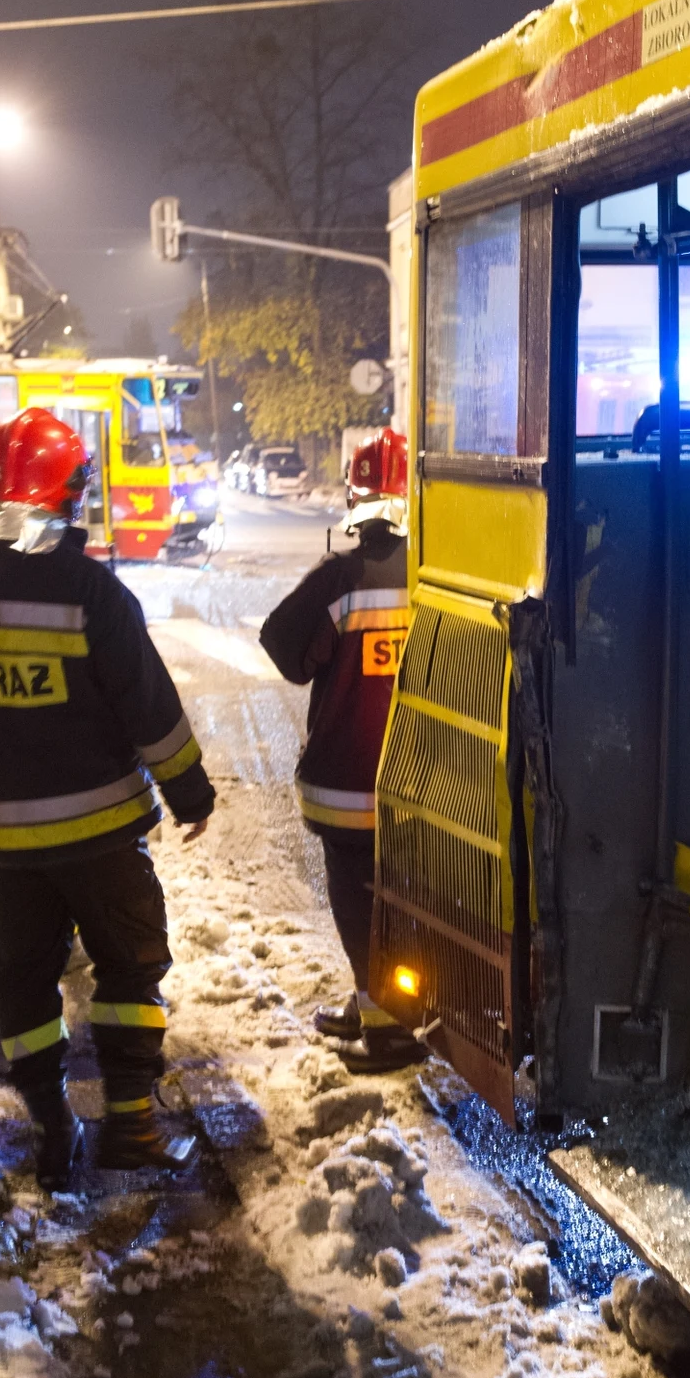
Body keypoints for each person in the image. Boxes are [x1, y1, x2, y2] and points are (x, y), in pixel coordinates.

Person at [0, 407, 215, 1190]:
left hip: (0, 841)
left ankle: (51, 1129)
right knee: (130, 966)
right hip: (102, 834)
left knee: (24, 980)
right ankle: (133, 1125)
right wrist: (189, 792)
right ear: (67, 491)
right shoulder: (89, 590)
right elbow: (149, 708)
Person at [260, 427, 422, 1073]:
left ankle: (387, 1032)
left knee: (359, 903)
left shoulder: (340, 579)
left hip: (351, 784)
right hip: (428, 786)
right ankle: (374, 1003)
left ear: (354, 498)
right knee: (409, 903)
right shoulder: (438, 573)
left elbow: (284, 647)